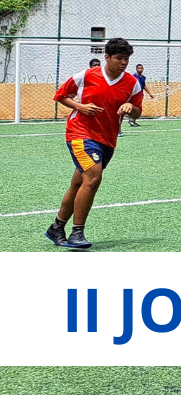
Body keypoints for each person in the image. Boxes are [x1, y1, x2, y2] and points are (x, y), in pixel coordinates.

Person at [43, 38, 143, 250]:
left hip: (107, 140)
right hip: (80, 133)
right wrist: (80, 107)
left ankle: (56, 228)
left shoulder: (132, 83)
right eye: (119, 58)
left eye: (126, 59)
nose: (123, 63)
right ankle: (77, 233)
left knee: (78, 184)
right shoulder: (86, 76)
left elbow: (137, 111)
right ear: (107, 57)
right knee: (93, 177)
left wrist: (130, 107)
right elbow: (61, 96)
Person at [120, 63, 156, 129]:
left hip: (140, 95)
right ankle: (131, 121)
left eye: (141, 68)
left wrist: (150, 93)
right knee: (132, 107)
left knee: (138, 108)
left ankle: (133, 120)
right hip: (133, 95)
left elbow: (144, 85)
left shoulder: (143, 77)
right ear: (136, 69)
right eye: (139, 68)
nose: (140, 69)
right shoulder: (133, 77)